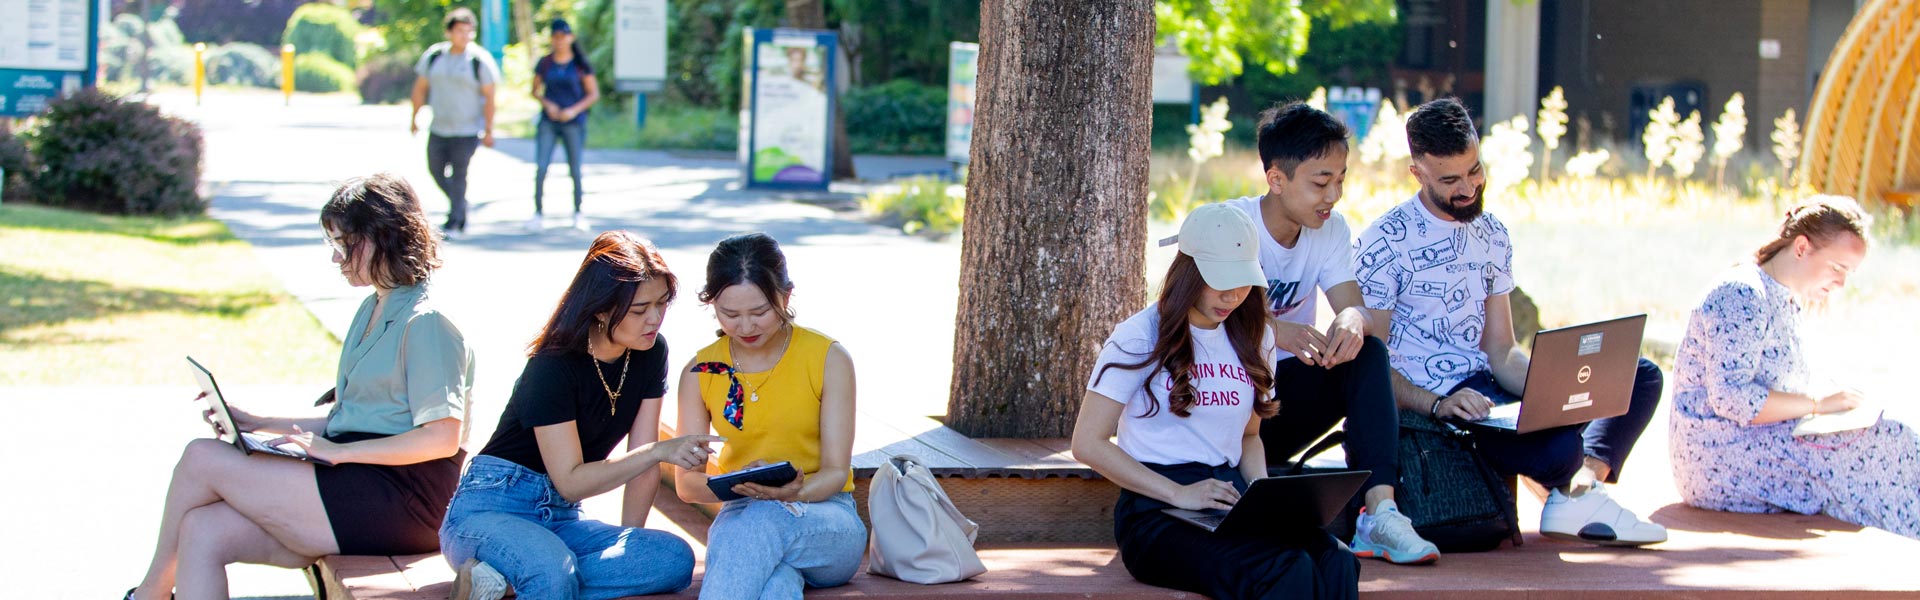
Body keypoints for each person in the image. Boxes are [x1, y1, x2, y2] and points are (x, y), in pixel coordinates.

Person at [127, 173, 476, 600]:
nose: (336, 259)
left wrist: (340, 453)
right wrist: (259, 422)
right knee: (202, 530)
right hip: (358, 482)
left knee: (201, 458)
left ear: (381, 236)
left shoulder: (427, 324)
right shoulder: (375, 307)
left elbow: (441, 437)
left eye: (342, 244)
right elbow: (353, 418)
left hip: (405, 498)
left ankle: (149, 594)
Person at [1352, 97, 1668, 546]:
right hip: (1441, 406)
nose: (1468, 188)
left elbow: (1501, 350)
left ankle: (1579, 489)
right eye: (1450, 179)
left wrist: (1550, 390)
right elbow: (1371, 368)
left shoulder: (1492, 232)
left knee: (1639, 376)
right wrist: (1437, 404)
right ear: (1416, 172)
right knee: (1559, 450)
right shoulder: (1383, 242)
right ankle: (1573, 494)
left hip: (1489, 392)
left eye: (1475, 170)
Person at [1072, 203, 1359, 600]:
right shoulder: (1140, 335)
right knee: (1284, 570)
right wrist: (1179, 493)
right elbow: (1087, 443)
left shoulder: (1257, 338)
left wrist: (1264, 495)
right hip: (1156, 513)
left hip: (1229, 502)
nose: (1233, 295)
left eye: (1243, 281)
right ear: (1189, 271)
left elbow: (1249, 438)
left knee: (1337, 560)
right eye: (1220, 280)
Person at [437, 231, 724, 600]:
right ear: (601, 308)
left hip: (561, 518)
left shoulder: (651, 351)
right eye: (640, 310)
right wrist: (657, 451)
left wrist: (628, 544)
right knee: (553, 574)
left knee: (672, 557)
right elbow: (573, 480)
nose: (655, 318)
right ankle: (536, 575)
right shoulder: (553, 365)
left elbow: (643, 462)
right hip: (491, 510)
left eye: (662, 303)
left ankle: (504, 582)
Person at [1223, 102, 1440, 565]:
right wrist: (1276, 332)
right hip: (1221, 411)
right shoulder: (1230, 225)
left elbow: (1353, 306)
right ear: (1276, 179)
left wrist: (1352, 322)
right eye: (1321, 182)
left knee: (1368, 353)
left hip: (1281, 408)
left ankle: (1380, 511)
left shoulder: (1331, 230)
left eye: (1341, 179)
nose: (1334, 194)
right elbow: (1201, 322)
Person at [1670, 196, 1918, 539]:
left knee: (1894, 432)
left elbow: (1786, 380)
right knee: (1891, 441)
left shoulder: (1784, 297)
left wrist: (1836, 404)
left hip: (1760, 441)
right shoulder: (1741, 292)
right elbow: (1732, 398)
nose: (1842, 284)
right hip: (1720, 456)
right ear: (1801, 247)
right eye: (1837, 268)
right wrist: (1818, 406)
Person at [674, 232, 865, 599]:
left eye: (759, 312)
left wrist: (792, 492)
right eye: (729, 314)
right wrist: (741, 483)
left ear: (785, 296)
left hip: (824, 517)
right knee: (776, 585)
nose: (745, 327)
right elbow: (687, 484)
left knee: (764, 520)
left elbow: (836, 471)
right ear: (712, 303)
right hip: (741, 515)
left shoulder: (827, 357)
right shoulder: (700, 371)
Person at [410, 7, 501, 239]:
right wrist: (414, 116)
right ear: (449, 32)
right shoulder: (434, 56)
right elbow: (420, 88)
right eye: (460, 31)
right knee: (435, 169)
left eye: (469, 32)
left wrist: (489, 129)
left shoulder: (478, 60)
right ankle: (460, 204)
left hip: (467, 129)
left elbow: (490, 97)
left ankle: (456, 220)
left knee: (459, 173)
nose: (465, 36)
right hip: (439, 127)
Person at [527, 18, 600, 233]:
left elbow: (593, 93)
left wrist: (573, 111)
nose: (559, 41)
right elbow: (534, 90)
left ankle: (578, 212)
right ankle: (538, 212)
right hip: (549, 121)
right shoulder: (545, 63)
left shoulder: (580, 64)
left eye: (563, 36)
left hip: (573, 122)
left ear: (570, 37)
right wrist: (547, 104)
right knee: (541, 167)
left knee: (575, 168)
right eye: (555, 37)